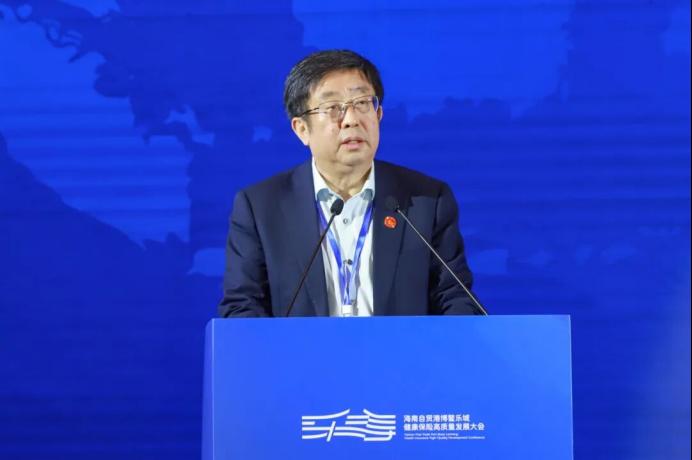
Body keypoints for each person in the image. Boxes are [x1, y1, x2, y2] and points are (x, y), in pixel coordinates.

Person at [219, 49, 483, 317]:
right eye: (333, 108)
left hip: (400, 346)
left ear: (378, 115)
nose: (352, 120)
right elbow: (242, 309)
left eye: (362, 103)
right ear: (302, 129)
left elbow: (455, 297)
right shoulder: (261, 207)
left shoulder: (426, 200)